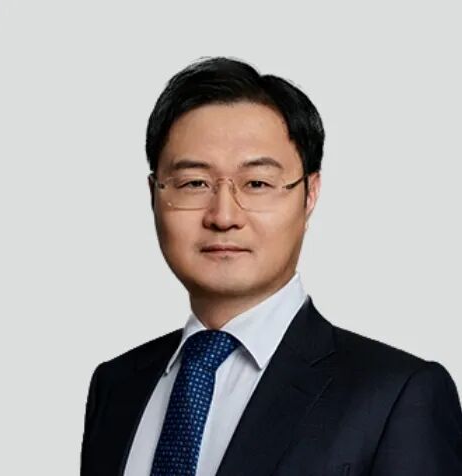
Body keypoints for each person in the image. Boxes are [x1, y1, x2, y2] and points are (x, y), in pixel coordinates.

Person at [80, 57, 462, 476]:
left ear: (310, 194)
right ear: (154, 194)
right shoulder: (116, 387)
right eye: (194, 183)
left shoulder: (397, 396)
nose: (223, 216)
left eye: (257, 184)